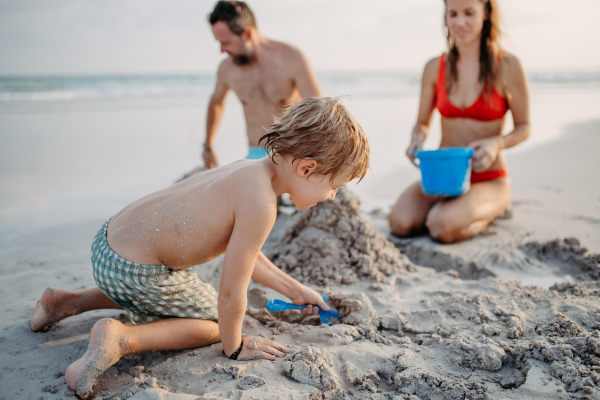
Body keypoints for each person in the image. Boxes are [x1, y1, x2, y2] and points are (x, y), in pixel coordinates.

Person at [29, 97, 369, 399]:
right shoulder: (262, 205)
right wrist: (233, 345)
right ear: (307, 168)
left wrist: (294, 290)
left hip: (108, 248)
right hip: (138, 274)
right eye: (334, 187)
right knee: (213, 320)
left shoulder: (248, 170)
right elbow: (231, 294)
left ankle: (68, 301)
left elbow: (248, 255)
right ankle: (120, 339)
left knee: (171, 285)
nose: (332, 196)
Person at [388, 0, 530, 243]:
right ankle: (455, 209)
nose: (459, 22)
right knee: (399, 223)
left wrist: (496, 143)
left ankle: (487, 213)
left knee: (440, 226)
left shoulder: (508, 66)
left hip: (489, 178)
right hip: (443, 175)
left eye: (469, 13)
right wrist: (416, 141)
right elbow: (422, 123)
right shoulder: (435, 67)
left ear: (486, 13)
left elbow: (524, 126)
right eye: (453, 14)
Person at [202, 1, 322, 168]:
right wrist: (208, 147)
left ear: (248, 34)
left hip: (291, 155)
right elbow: (216, 102)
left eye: (226, 42)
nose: (222, 50)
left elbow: (319, 110)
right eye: (219, 42)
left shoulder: (291, 58)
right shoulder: (226, 69)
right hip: (255, 156)